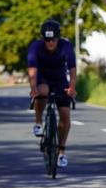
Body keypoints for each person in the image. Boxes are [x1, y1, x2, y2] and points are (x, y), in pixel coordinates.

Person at [27, 20, 76, 168]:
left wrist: (72, 87)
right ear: (42, 38)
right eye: (47, 40)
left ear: (58, 38)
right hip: (43, 77)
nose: (50, 43)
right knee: (43, 91)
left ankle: (61, 152)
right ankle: (38, 123)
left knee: (65, 114)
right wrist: (33, 87)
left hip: (60, 79)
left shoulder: (66, 46)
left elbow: (72, 70)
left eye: (53, 39)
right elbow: (33, 72)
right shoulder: (35, 47)